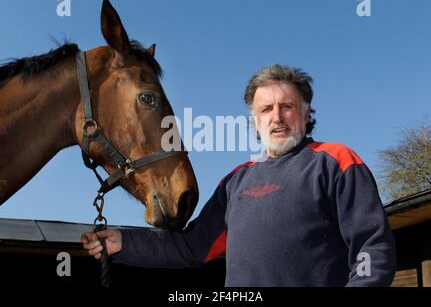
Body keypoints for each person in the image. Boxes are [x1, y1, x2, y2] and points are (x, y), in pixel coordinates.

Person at [81, 64, 397, 286]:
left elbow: (373, 249)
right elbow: (192, 248)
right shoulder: (236, 182)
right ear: (254, 120)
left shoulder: (336, 161)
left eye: (287, 106)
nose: (277, 117)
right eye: (266, 109)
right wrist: (124, 242)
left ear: (306, 113)